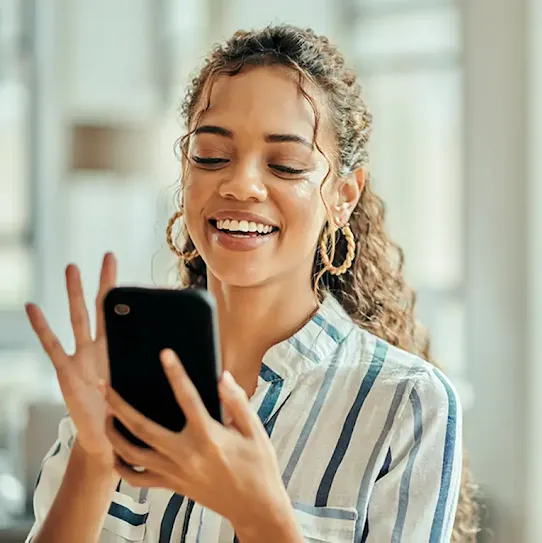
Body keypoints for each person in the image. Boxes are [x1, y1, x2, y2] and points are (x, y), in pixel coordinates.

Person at [24, 25, 478, 543]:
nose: (240, 184)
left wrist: (262, 517)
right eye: (212, 156)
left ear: (344, 196)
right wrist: (95, 455)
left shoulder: (407, 404)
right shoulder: (125, 374)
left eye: (285, 164)